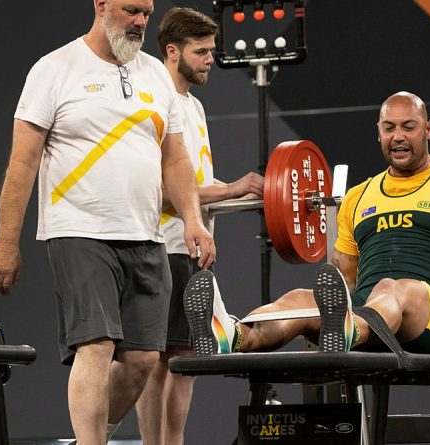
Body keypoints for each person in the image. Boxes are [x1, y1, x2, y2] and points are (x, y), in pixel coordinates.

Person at [0, 1, 216, 444]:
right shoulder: (55, 69)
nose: (140, 21)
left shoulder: (154, 74)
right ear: (101, 5)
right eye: (131, 10)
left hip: (146, 236)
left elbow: (176, 159)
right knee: (95, 345)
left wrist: (193, 220)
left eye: (147, 12)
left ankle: (91, 436)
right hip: (79, 230)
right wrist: (6, 241)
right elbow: (22, 161)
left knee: (144, 359)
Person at [183, 91, 430, 358]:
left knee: (392, 287)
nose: (399, 136)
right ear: (378, 132)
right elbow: (342, 279)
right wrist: (318, 311)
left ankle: (347, 330)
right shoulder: (360, 196)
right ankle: (232, 335)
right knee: (301, 298)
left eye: (409, 126)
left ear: (429, 129)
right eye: (389, 128)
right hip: (364, 315)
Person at [134, 8, 264, 445]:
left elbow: (198, 188)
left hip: (193, 250)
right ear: (172, 52)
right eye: (201, 51)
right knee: (160, 360)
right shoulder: (152, 105)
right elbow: (164, 191)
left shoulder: (195, 106)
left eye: (211, 50)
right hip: (163, 247)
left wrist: (245, 195)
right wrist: (230, 190)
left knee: (185, 357)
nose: (211, 59)